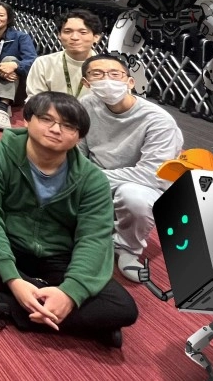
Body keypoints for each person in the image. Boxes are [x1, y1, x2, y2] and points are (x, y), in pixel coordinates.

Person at [0, 92, 139, 346]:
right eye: (47, 119)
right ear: (27, 120)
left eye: (68, 126)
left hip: (59, 255)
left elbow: (94, 239)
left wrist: (70, 293)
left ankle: (0, 304)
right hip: (11, 243)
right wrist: (15, 281)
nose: (56, 129)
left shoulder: (93, 180)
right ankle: (82, 322)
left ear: (79, 137)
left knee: (122, 307)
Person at [78, 53, 184, 282]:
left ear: (130, 81)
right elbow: (78, 151)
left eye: (115, 74)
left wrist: (90, 179)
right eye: (97, 74)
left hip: (140, 183)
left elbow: (153, 174)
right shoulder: (86, 105)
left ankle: (127, 249)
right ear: (86, 83)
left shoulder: (158, 120)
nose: (107, 80)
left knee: (133, 198)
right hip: (96, 174)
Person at [26, 9, 103, 101]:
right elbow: (35, 100)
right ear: (59, 35)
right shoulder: (43, 63)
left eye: (83, 32)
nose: (74, 37)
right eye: (67, 31)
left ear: (96, 37)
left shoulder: (108, 67)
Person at [0, 1, 38, 130]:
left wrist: (15, 65)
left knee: (10, 59)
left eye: (1, 15)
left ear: (8, 19)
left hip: (15, 87)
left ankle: (2, 106)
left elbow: (33, 61)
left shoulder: (21, 37)